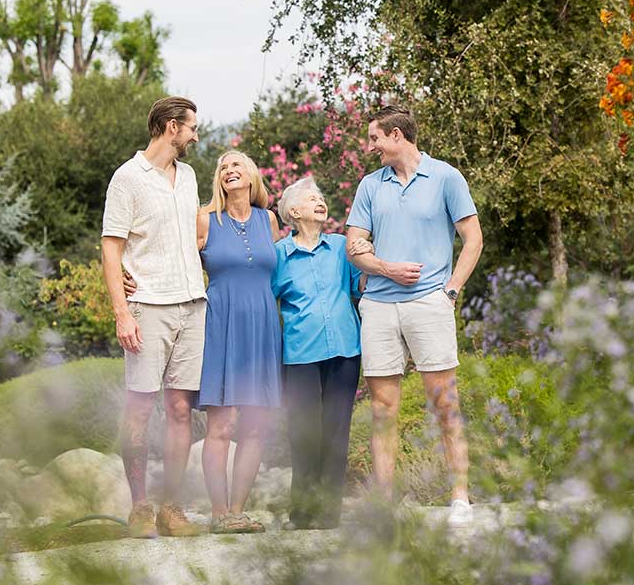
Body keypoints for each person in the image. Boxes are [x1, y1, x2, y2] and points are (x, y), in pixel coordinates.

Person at [345, 104, 483, 527]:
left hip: (430, 303)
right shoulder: (370, 186)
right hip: (380, 308)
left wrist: (451, 291)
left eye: (375, 139)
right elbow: (355, 246)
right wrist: (386, 268)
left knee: (445, 402)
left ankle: (460, 496)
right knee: (383, 409)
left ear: (398, 137)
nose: (371, 148)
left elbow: (473, 238)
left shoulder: (445, 177)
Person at [101, 96, 206, 539]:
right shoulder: (127, 179)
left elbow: (192, 237)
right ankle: (140, 506)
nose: (195, 135)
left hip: (192, 304)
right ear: (169, 127)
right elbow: (111, 246)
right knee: (140, 408)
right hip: (147, 307)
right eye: (191, 128)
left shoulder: (189, 177)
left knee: (181, 409)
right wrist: (122, 312)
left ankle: (172, 508)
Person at [272, 176, 369, 530]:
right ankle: (302, 510)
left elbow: (363, 285)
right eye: (312, 199)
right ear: (293, 211)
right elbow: (267, 300)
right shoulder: (280, 254)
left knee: (336, 431)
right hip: (300, 354)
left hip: (344, 350)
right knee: (304, 433)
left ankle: (329, 512)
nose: (320, 203)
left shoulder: (343, 246)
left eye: (322, 198)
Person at [197, 150, 283, 533]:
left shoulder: (270, 219)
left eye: (236, 165)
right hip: (222, 325)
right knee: (222, 425)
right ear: (219, 180)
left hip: (264, 326)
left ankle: (236, 511)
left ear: (251, 176)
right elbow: (177, 262)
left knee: (255, 425)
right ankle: (218, 514)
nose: (229, 170)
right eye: (223, 167)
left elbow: (283, 273)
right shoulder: (205, 219)